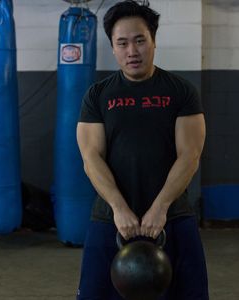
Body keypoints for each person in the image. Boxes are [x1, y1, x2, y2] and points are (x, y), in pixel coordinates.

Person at [75, 1, 208, 299]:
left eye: (139, 40)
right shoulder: (97, 95)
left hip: (171, 217)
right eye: (122, 43)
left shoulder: (181, 91)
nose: (131, 51)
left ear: (153, 41)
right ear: (113, 47)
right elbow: (90, 156)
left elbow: (190, 155)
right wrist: (118, 208)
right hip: (111, 219)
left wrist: (160, 208)